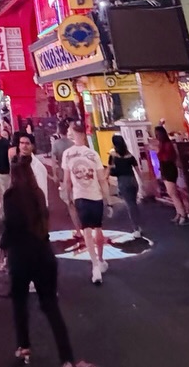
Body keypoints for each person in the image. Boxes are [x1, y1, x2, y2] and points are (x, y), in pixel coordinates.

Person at [3, 157, 92, 367]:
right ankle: (67, 358)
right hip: (43, 253)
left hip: (20, 256)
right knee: (51, 306)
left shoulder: (10, 196)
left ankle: (24, 345)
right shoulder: (38, 194)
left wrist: (3, 245)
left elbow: (11, 226)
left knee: (20, 303)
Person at [59, 122, 109, 285]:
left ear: (75, 133)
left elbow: (67, 180)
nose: (69, 133)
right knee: (98, 228)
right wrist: (107, 199)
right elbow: (102, 179)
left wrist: (68, 197)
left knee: (87, 230)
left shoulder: (67, 154)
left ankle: (94, 265)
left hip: (80, 196)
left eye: (70, 130)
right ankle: (101, 260)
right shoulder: (93, 154)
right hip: (96, 196)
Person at [154, 125, 189, 224]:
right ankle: (179, 213)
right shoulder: (162, 144)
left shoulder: (167, 144)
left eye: (157, 134)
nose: (156, 136)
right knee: (172, 193)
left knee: (173, 193)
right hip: (165, 168)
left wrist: (158, 150)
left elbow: (168, 157)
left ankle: (183, 214)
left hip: (169, 168)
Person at [107, 134, 142, 233]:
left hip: (123, 182)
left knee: (130, 205)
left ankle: (136, 228)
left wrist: (105, 180)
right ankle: (138, 225)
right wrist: (142, 182)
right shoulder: (129, 155)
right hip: (133, 181)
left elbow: (109, 169)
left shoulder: (113, 156)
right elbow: (137, 170)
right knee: (133, 203)